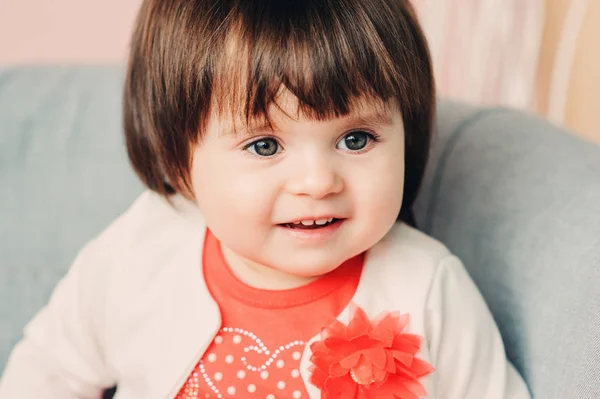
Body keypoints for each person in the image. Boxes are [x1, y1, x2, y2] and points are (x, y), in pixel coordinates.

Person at [0, 0, 531, 398]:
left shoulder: (427, 287)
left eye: (356, 139)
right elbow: (46, 373)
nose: (318, 181)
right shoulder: (141, 252)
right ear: (178, 156)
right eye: (264, 144)